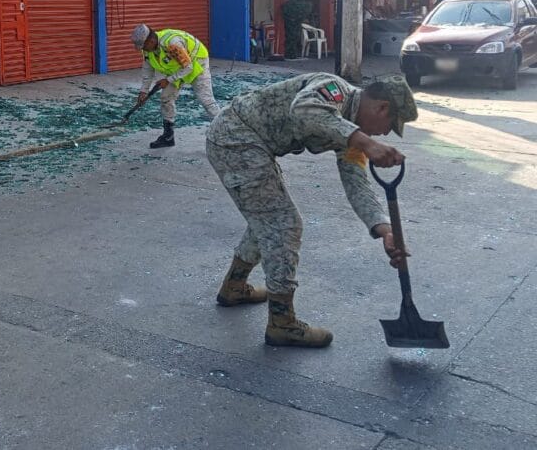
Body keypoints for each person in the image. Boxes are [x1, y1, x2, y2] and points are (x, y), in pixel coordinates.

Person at [206, 73, 417, 348]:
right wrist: (366, 142)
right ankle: (282, 323)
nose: (385, 134)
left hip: (250, 144)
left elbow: (357, 183)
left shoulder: (349, 132)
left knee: (267, 219)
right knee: (282, 224)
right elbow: (303, 108)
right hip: (235, 138)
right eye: (390, 125)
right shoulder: (335, 90)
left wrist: (384, 230)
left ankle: (234, 287)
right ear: (382, 108)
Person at [130, 24, 220, 149]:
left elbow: (188, 67)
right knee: (166, 98)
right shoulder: (147, 51)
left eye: (144, 46)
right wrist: (143, 91)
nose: (143, 49)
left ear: (151, 40)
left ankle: (225, 133)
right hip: (176, 67)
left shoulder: (172, 43)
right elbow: (147, 71)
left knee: (206, 100)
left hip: (196, 62)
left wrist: (168, 80)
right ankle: (168, 137)